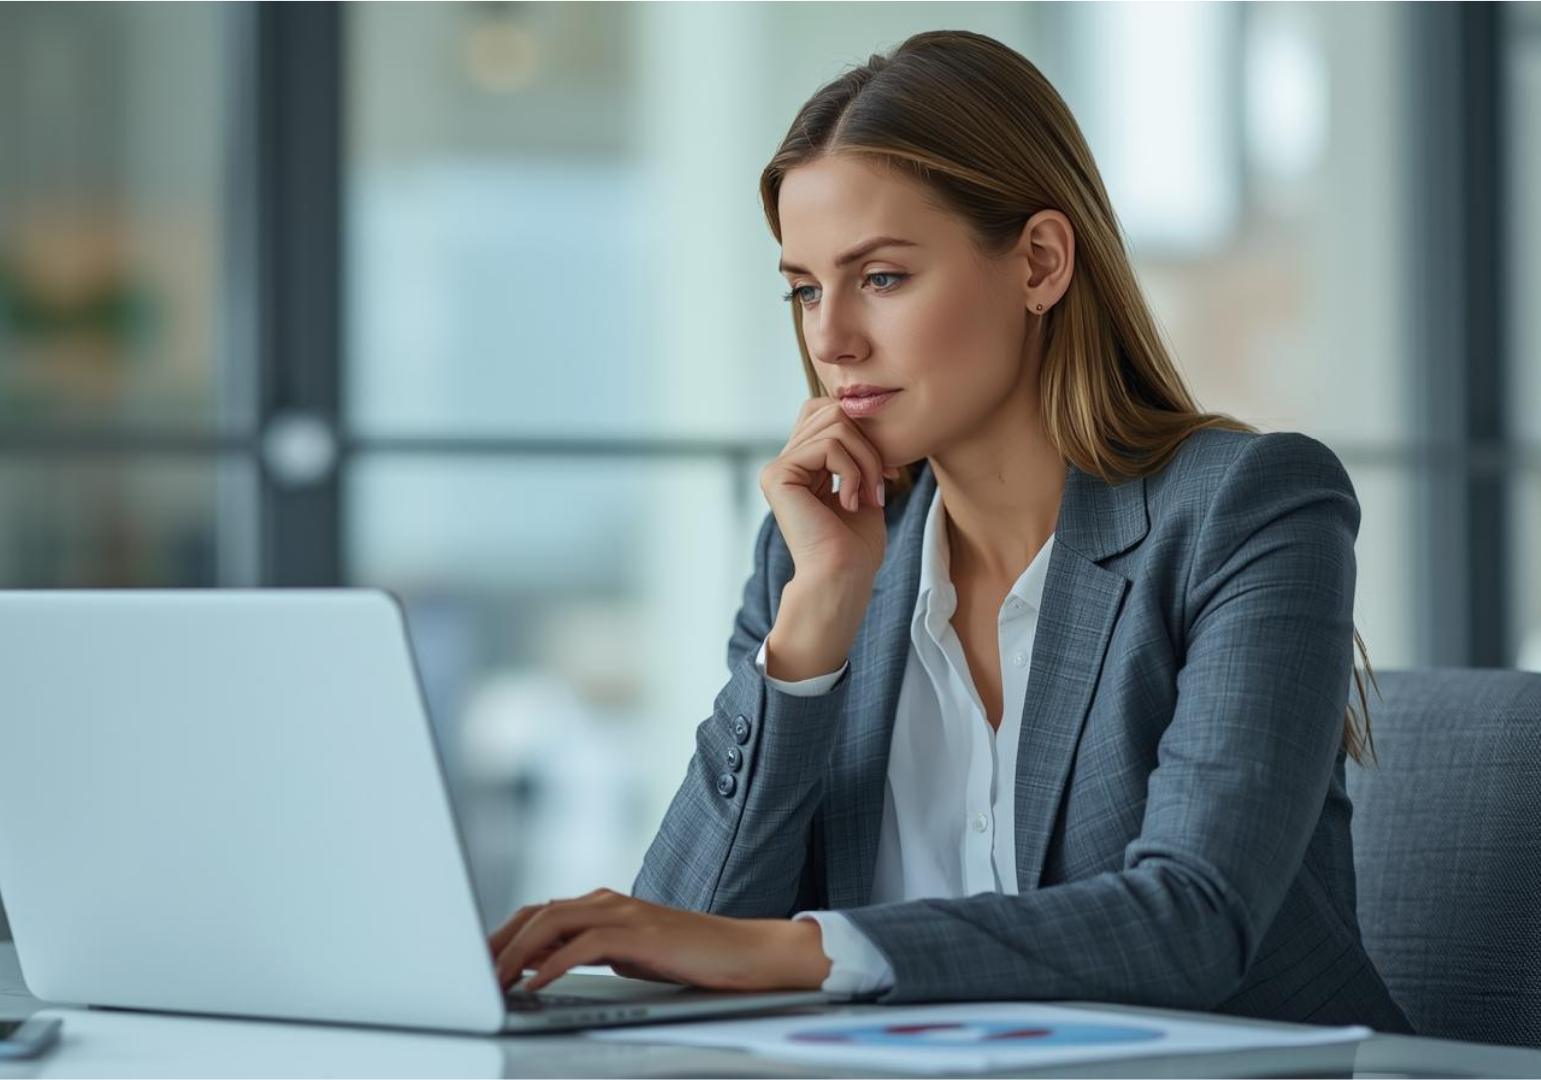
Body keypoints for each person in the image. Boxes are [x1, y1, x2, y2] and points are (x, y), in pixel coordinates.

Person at [486, 29, 1415, 1035]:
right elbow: (687, 940)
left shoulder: (1247, 512)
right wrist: (812, 635)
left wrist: (807, 949)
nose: (831, 337)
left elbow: (1192, 923)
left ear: (1041, 263)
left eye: (881, 277)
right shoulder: (816, 552)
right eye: (804, 287)